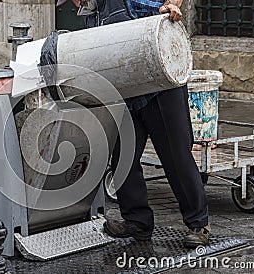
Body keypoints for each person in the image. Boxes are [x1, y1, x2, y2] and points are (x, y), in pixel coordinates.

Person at [76, 0, 211, 248]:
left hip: (160, 80)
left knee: (176, 156)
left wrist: (173, 4)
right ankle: (137, 221)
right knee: (123, 156)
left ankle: (198, 224)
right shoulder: (93, 12)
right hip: (125, 88)